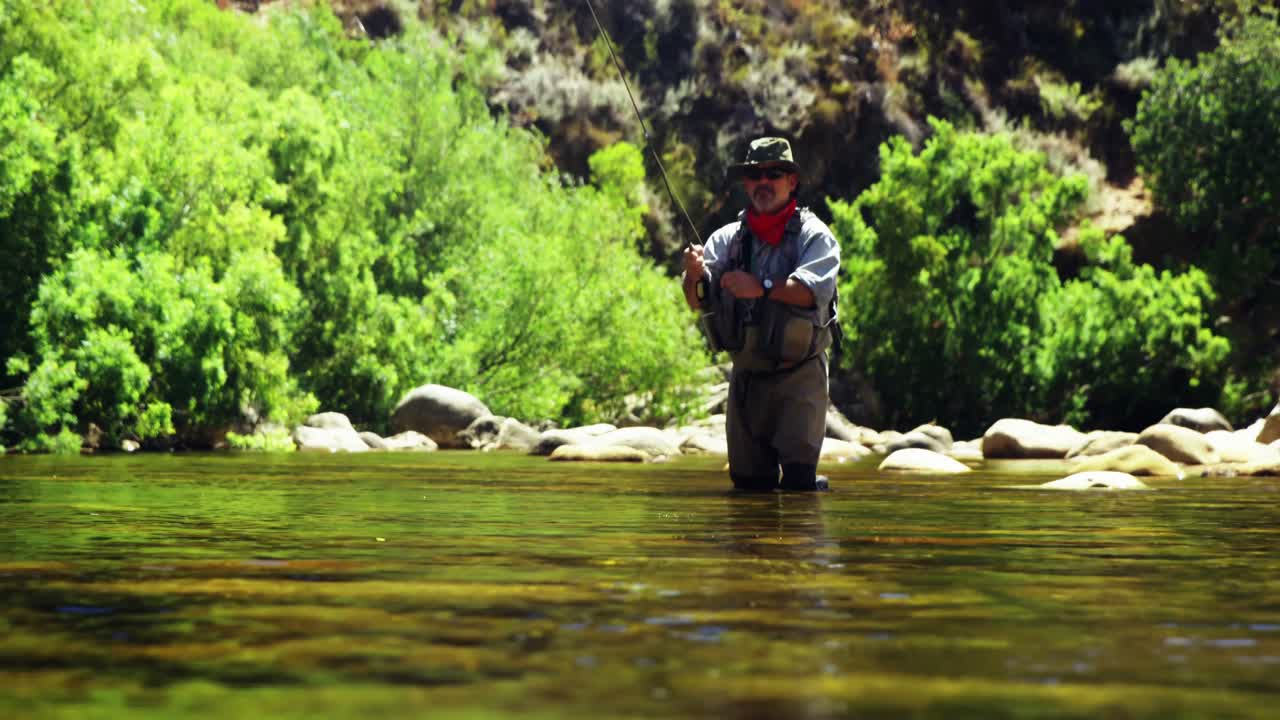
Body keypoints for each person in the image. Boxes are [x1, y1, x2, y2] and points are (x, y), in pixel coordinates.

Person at [681, 137, 840, 492]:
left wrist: (761, 286)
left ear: (792, 182)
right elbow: (696, 300)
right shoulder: (725, 240)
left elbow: (811, 291)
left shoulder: (815, 237)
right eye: (754, 175)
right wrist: (693, 275)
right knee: (749, 489)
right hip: (746, 379)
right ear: (746, 183)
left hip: (799, 377)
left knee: (799, 487)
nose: (763, 182)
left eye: (774, 174)